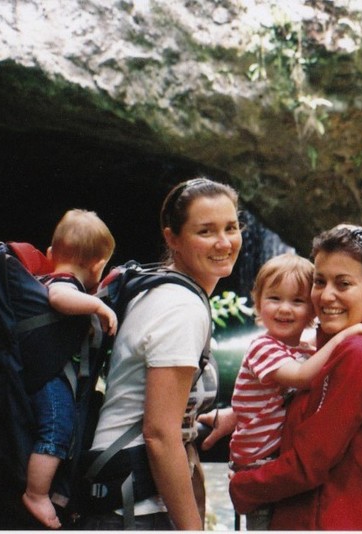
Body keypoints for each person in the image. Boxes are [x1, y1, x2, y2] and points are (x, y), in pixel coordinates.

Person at [81, 177, 242, 530]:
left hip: (120, 490)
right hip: (132, 506)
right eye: (206, 231)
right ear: (173, 239)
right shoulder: (181, 308)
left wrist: (213, 417)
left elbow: (144, 401)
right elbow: (158, 433)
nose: (224, 241)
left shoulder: (159, 288)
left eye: (231, 227)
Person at [229, 225, 362, 530]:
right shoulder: (333, 345)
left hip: (336, 518)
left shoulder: (358, 352)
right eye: (319, 281)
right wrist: (232, 415)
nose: (326, 296)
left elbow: (309, 463)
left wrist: (243, 486)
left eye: (344, 284)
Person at [22, 209, 118, 529]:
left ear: (51, 254)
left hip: (48, 373)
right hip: (52, 377)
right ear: (96, 266)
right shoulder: (63, 283)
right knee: (56, 429)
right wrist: (98, 305)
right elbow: (61, 298)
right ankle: (36, 493)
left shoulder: (45, 276)